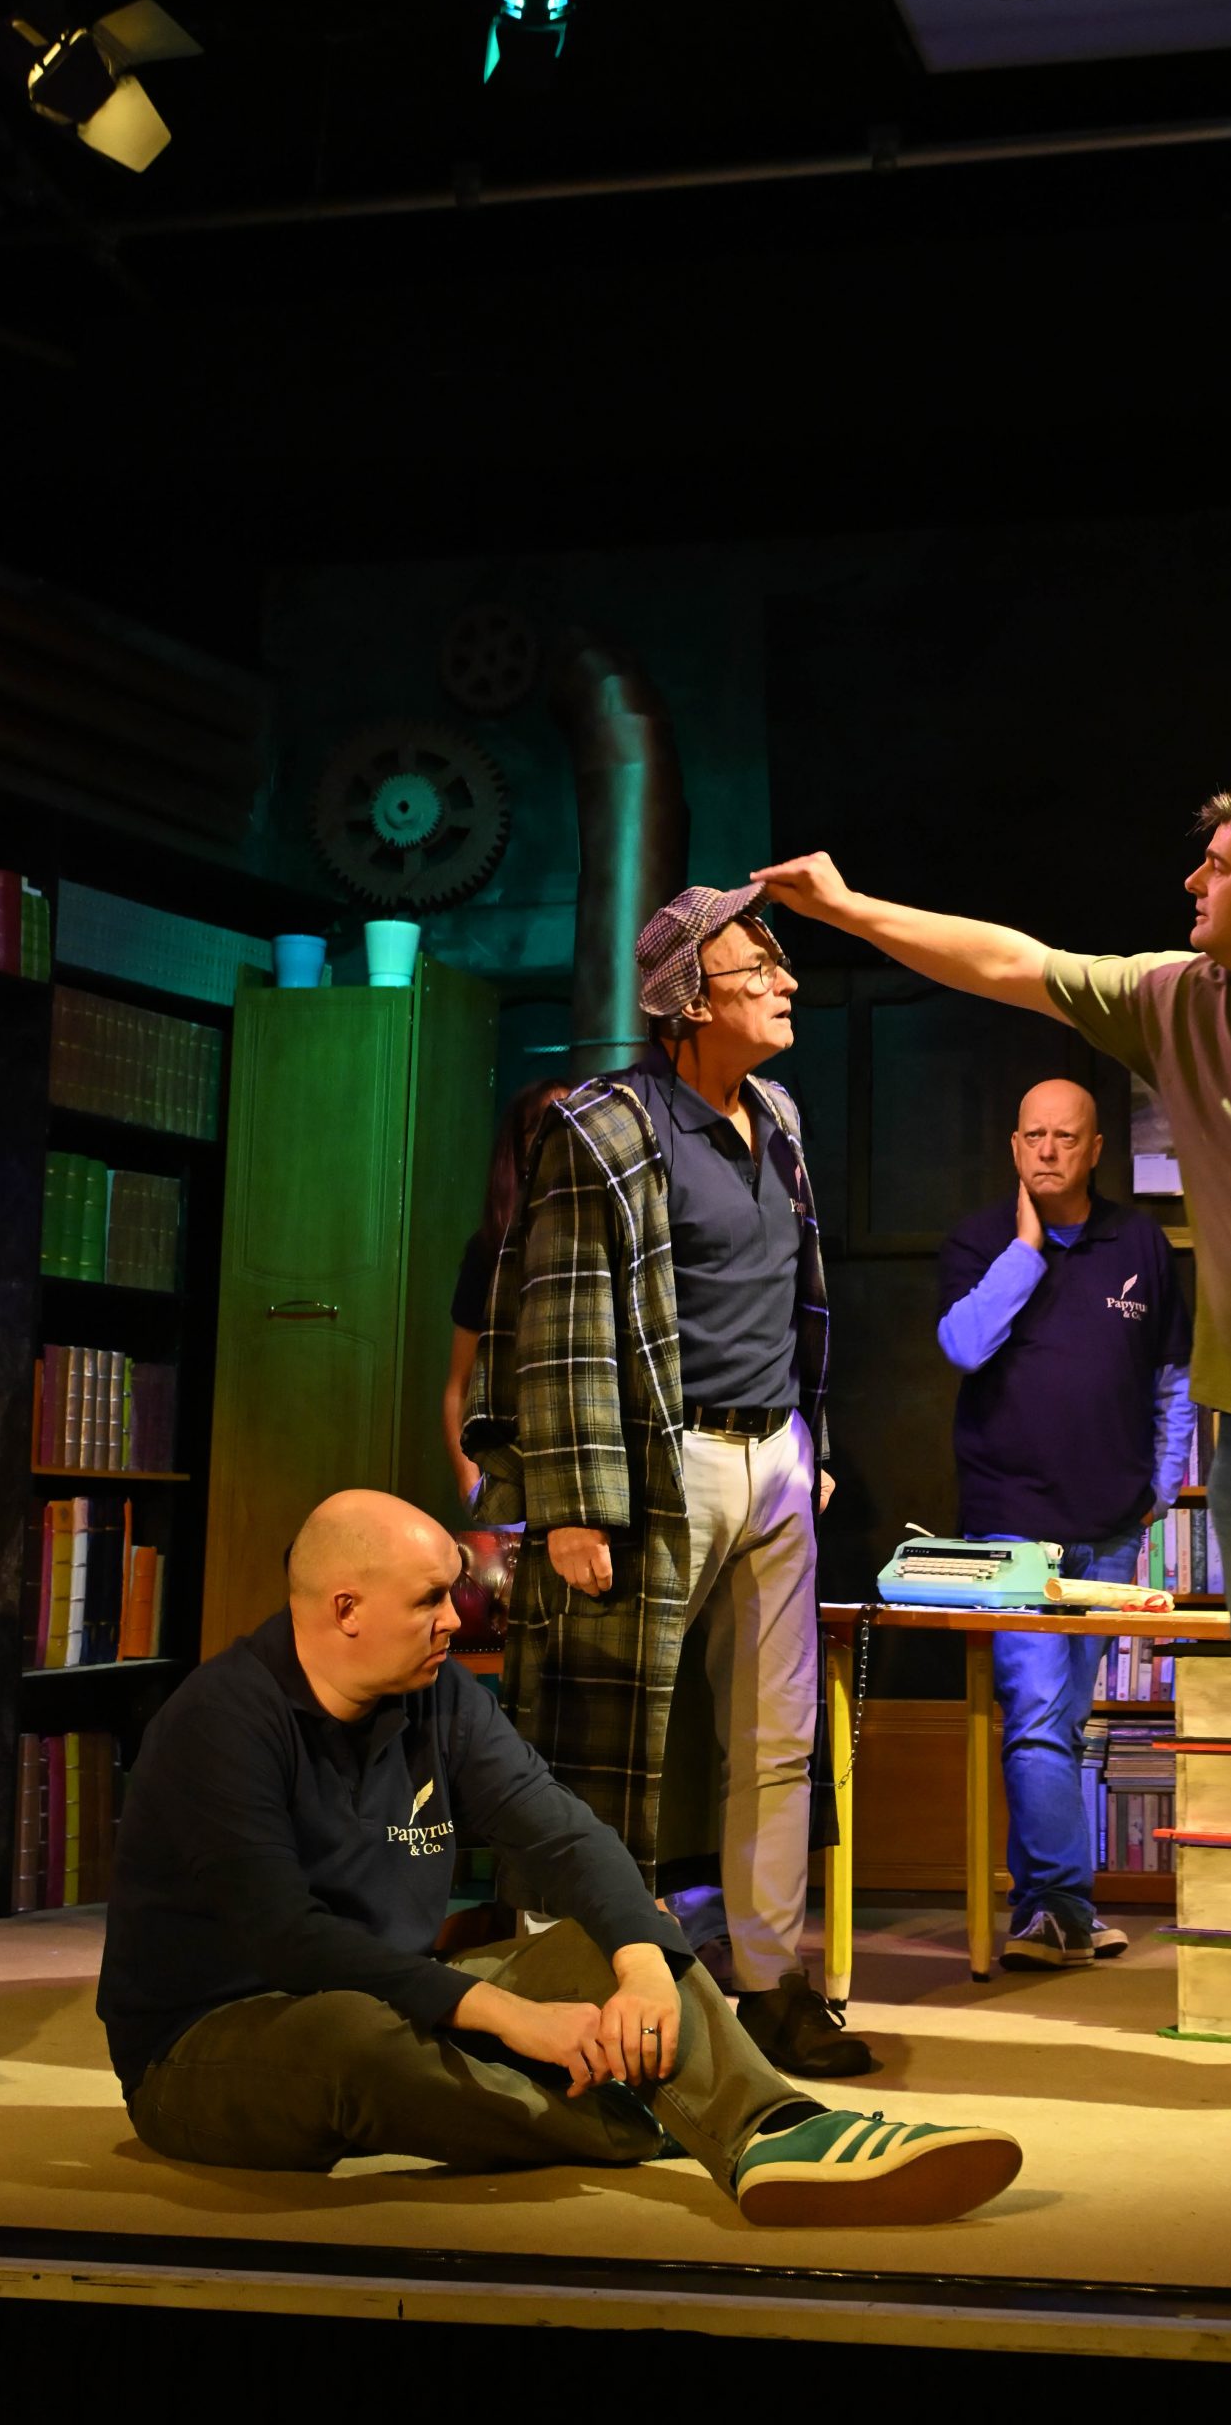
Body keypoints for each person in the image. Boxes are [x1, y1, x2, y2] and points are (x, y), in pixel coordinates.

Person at [755, 784, 1231, 2129]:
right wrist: (844, 909)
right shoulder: (1183, 1000)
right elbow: (1007, 961)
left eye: (1216, 866)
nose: (1191, 883)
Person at [96, 1489, 1021, 2225]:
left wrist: (642, 1961)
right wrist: (510, 2017)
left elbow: (561, 1832)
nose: (457, 1619)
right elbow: (288, 1939)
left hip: (392, 1989)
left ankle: (774, 2127)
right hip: (211, 2043)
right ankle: (650, 2122)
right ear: (346, 1609)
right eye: (428, 1601)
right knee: (356, 2041)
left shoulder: (438, 1696)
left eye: (454, 1593)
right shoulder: (221, 1723)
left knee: (604, 1942)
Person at [465, 884, 865, 2080]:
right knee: (607, 1740)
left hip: (775, 1456)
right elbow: (561, 1322)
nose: (786, 984)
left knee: (778, 1737)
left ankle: (769, 1985)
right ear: (689, 1001)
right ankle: (584, 1988)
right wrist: (572, 1501)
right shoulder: (602, 1126)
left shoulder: (779, 1114)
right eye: (758, 969)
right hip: (658, 1459)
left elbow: (796, 1294)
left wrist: (812, 1444)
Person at [939, 1077, 1194, 1970]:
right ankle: (1060, 1905)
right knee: (1038, 1715)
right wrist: (1025, 1250)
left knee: (1065, 1722)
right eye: (1032, 1136)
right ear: (1015, 1146)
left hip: (1110, 1524)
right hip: (1011, 1523)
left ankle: (1047, 1911)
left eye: (1065, 1137)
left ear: (1094, 1151)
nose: (1046, 1150)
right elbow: (963, 1345)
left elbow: (1172, 1375)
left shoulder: (1140, 1242)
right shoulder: (980, 1240)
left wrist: (1161, 1485)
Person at [443, 1078, 568, 1509]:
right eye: (544, 1124)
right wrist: (470, 1483)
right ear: (521, 1146)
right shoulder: (490, 1250)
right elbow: (459, 1384)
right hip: (510, 1471)